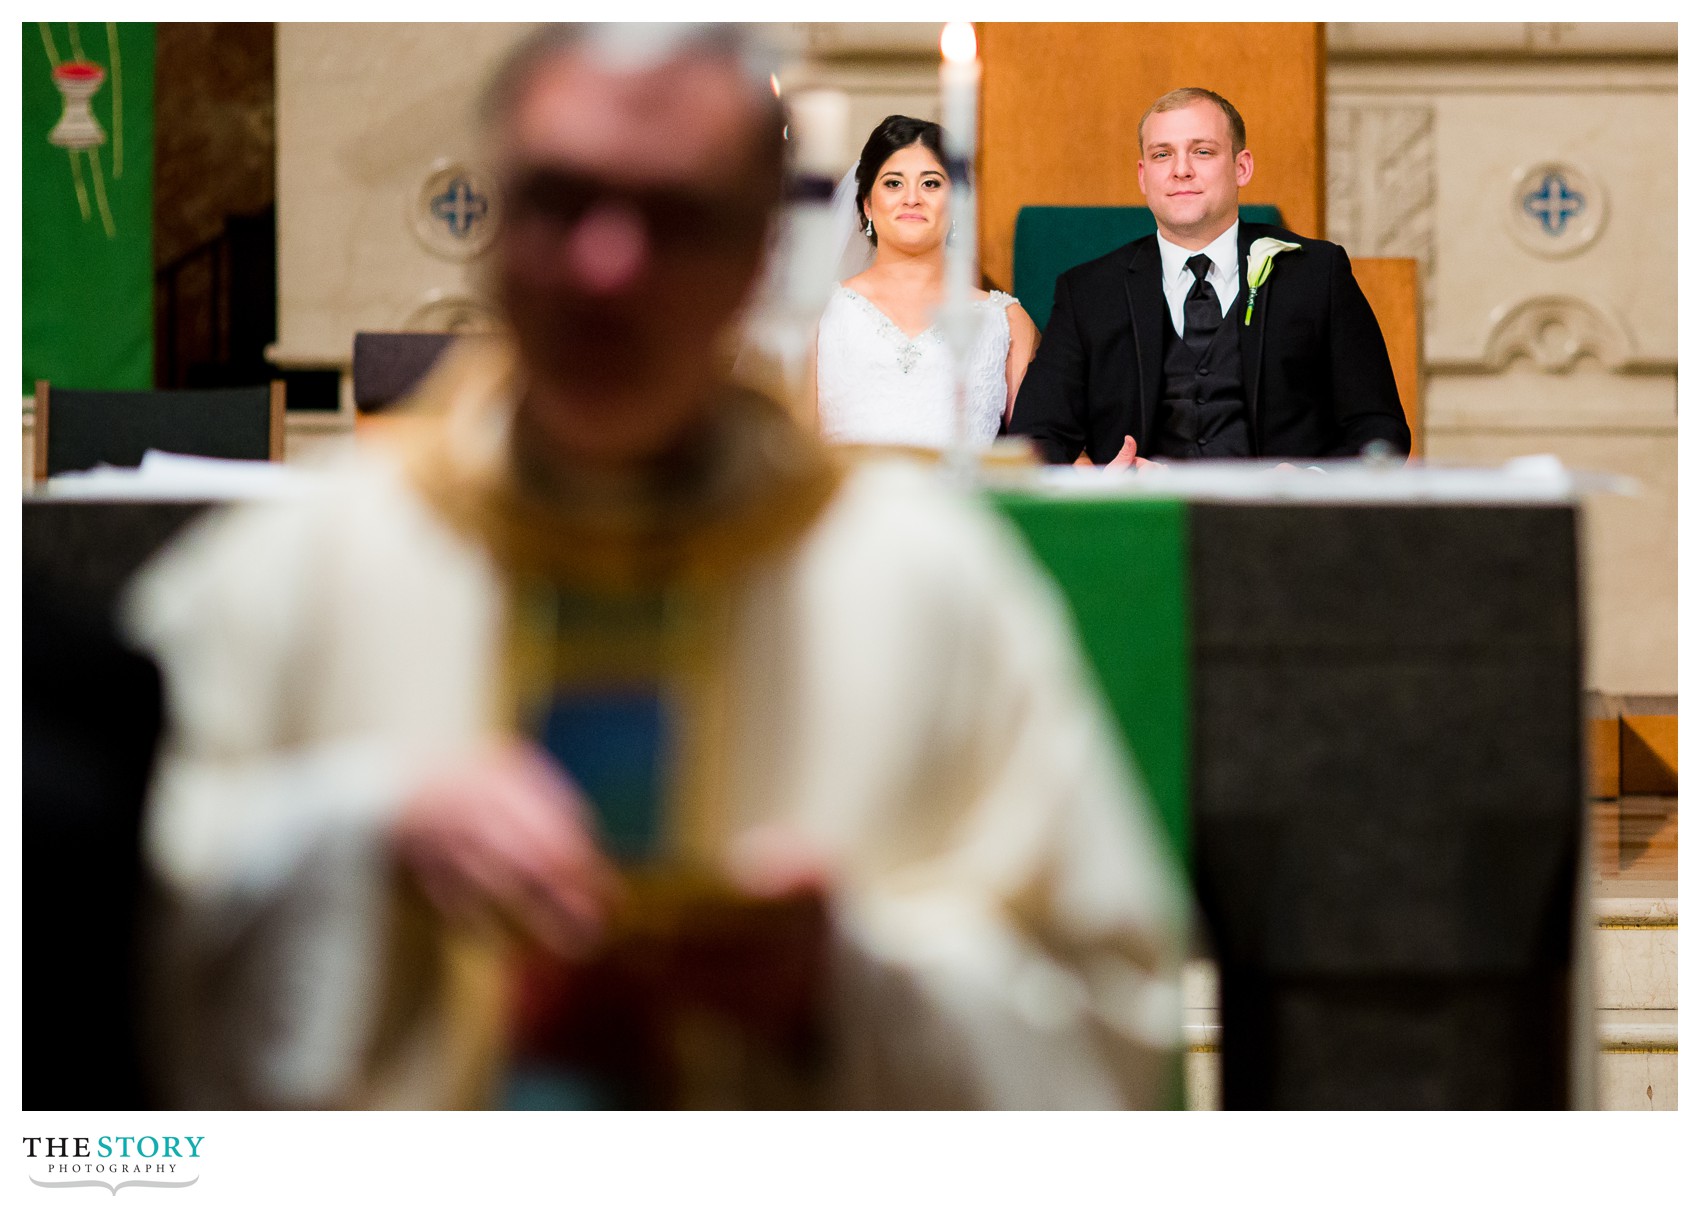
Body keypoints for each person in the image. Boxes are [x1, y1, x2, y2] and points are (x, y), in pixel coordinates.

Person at [123, 24, 1185, 1110]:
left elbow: (1114, 1026)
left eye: (675, 215)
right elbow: (77, 903)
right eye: (558, 199)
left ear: (754, 254)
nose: (605, 266)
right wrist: (356, 833)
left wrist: (844, 983)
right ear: (492, 221)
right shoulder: (305, 562)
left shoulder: (925, 587)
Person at [1009, 87, 1410, 467]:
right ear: (1143, 176)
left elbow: (1381, 429)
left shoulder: (1317, 274)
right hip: (1144, 528)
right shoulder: (1089, 293)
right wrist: (1102, 481)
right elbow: (1034, 439)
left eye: (1202, 151)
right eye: (1162, 155)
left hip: (1286, 528)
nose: (1181, 170)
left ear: (1242, 167)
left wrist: (1310, 480)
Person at [813, 115, 1039, 449]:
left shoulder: (1007, 321)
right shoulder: (819, 315)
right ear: (867, 205)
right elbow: (790, 445)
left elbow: (1041, 447)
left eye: (931, 183)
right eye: (893, 183)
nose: (912, 198)